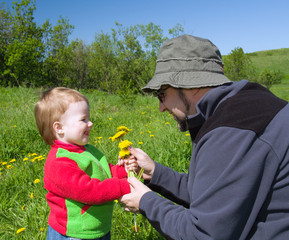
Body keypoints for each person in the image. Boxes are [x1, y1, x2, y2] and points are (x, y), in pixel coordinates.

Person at [119, 35, 289, 240]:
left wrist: (145, 202)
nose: (161, 107)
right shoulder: (247, 106)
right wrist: (155, 173)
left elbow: (203, 234)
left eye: (161, 94)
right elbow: (214, 194)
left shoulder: (232, 129)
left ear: (190, 84)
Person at [34, 87, 136, 240]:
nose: (91, 123)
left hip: (96, 228)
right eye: (84, 120)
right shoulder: (59, 162)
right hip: (74, 234)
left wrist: (123, 171)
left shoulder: (86, 150)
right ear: (59, 128)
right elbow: (89, 191)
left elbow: (104, 172)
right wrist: (124, 185)